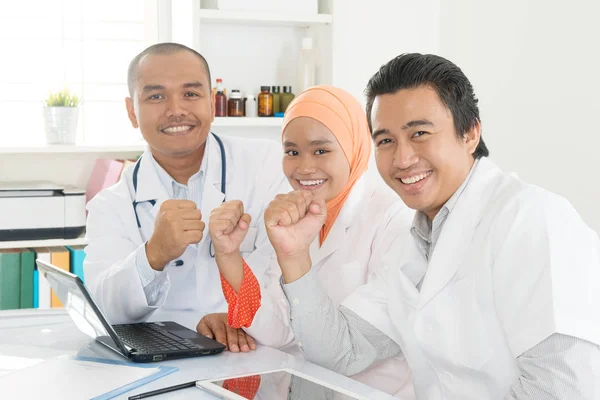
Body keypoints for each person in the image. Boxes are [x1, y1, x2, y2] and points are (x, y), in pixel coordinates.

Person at [264, 54, 600, 399]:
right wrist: (294, 256)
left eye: (420, 133)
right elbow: (341, 351)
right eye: (385, 141)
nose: (402, 158)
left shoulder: (531, 218)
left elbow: (565, 388)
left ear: (470, 133)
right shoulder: (417, 242)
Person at [199, 85, 415, 397]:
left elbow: (342, 354)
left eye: (321, 150)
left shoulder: (396, 220)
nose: (304, 167)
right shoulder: (297, 213)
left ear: (354, 148)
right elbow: (280, 332)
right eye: (292, 151)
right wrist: (228, 255)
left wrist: (293, 253)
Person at [83, 43, 290, 347]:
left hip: (255, 354)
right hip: (160, 366)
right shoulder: (110, 205)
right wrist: (154, 254)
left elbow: (289, 278)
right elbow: (105, 309)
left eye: (191, 94)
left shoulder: (267, 166)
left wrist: (236, 313)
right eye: (156, 96)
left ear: (211, 102)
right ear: (132, 112)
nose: (176, 110)